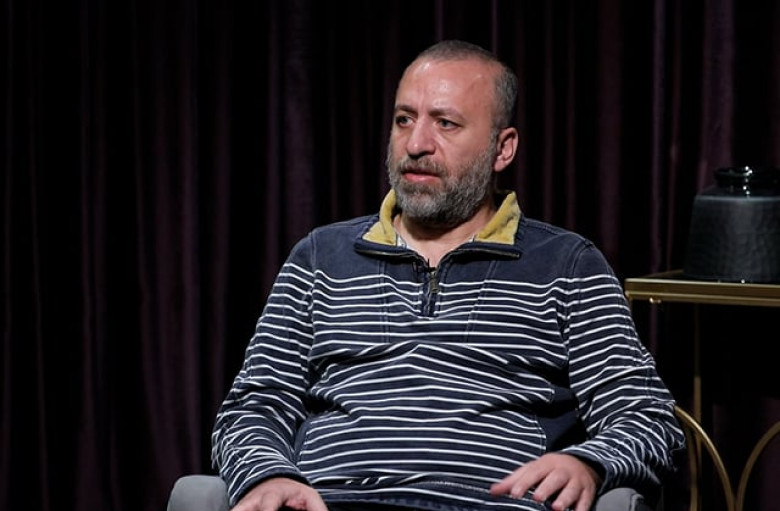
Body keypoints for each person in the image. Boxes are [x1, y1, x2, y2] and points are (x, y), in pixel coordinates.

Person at [211, 40, 685, 511]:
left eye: (446, 123)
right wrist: (268, 475)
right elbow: (252, 408)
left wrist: (588, 463)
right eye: (404, 120)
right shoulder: (321, 257)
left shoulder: (567, 265)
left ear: (503, 149)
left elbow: (647, 418)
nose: (416, 144)